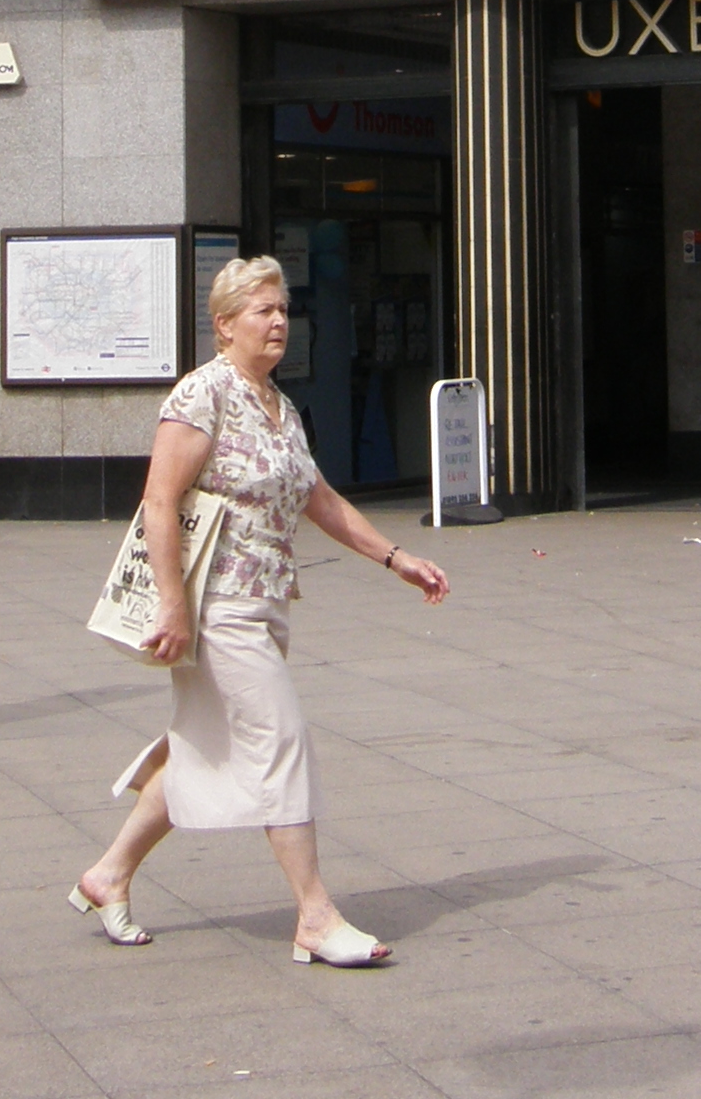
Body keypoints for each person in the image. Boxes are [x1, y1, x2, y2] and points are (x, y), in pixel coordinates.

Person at [70, 256, 450, 966]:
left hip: (267, 601)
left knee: (206, 747)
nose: (279, 321)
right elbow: (159, 501)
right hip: (217, 609)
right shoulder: (202, 395)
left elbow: (318, 497)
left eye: (282, 309)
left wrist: (397, 558)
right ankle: (314, 915)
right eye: (263, 311)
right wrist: (174, 608)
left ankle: (109, 873)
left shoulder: (278, 404)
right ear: (224, 326)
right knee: (280, 741)